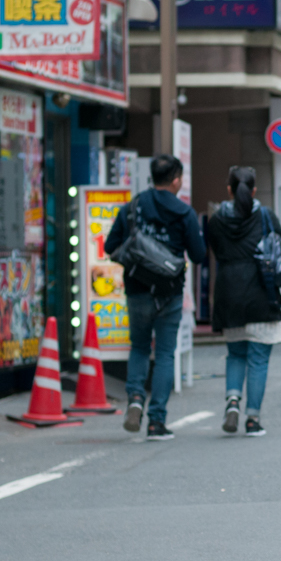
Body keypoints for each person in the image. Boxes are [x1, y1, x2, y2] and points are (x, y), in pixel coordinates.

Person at [105, 154, 207, 441]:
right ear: (176, 180)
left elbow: (111, 245)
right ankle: (156, 422)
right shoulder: (184, 212)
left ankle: (135, 398)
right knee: (163, 353)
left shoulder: (133, 206)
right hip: (169, 293)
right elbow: (199, 254)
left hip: (137, 289)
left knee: (138, 347)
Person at [207, 167, 281, 438]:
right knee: (259, 359)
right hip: (261, 293)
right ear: (253, 190)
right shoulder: (265, 216)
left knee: (236, 353)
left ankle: (232, 402)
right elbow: (279, 247)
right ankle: (253, 419)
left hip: (228, 293)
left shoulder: (216, 220)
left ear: (229, 189)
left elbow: (214, 251)